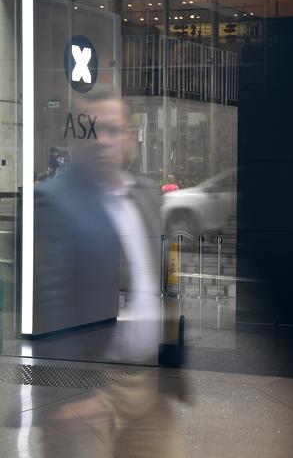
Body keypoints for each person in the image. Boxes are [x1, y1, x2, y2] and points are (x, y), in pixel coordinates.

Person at [33, 89, 185, 457]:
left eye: (115, 130)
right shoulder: (52, 200)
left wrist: (173, 360)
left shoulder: (148, 195)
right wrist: (66, 392)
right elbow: (48, 301)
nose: (103, 140)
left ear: (131, 137)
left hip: (148, 381)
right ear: (74, 136)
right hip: (89, 386)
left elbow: (168, 279)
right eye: (92, 129)